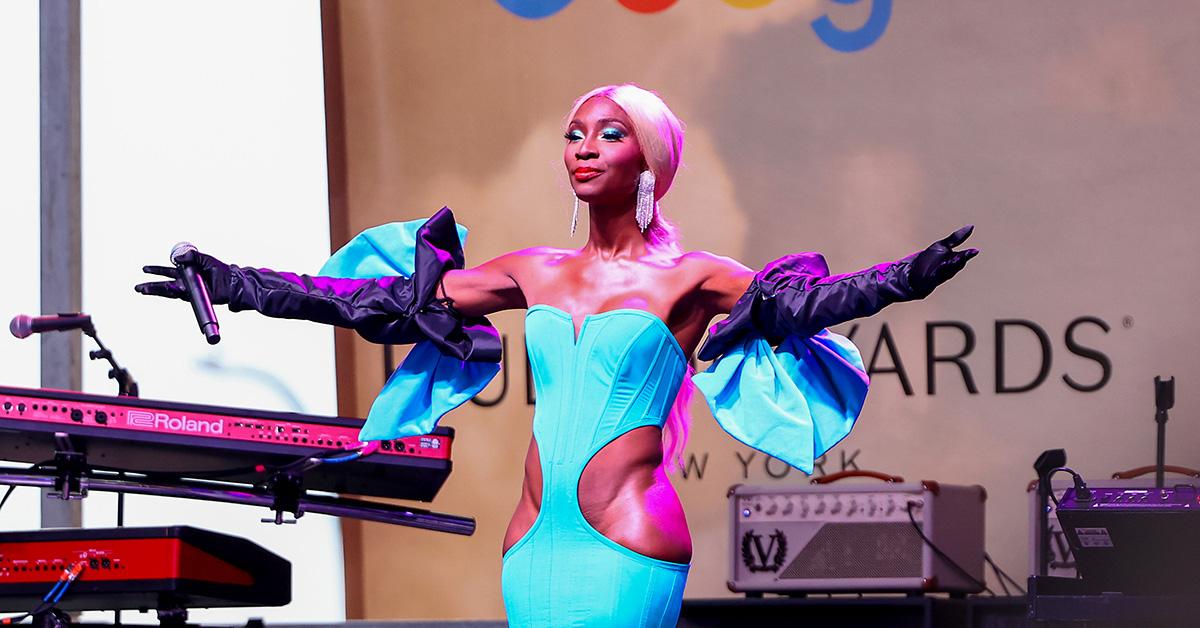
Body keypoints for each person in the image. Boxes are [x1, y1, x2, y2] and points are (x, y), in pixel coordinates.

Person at [137, 84, 976, 627]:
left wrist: (903, 277)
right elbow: (367, 303)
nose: (581, 146)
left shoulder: (696, 277)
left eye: (607, 135)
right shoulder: (531, 270)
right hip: (534, 537)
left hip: (628, 533)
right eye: (574, 133)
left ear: (647, 163)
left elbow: (808, 305)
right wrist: (235, 281)